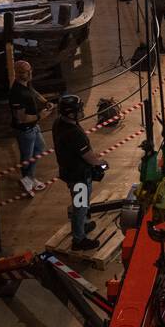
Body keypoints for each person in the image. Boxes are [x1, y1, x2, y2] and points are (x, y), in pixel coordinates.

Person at [52, 94, 107, 251]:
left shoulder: (59, 123)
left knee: (81, 205)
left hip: (69, 171)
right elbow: (88, 156)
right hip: (79, 176)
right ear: (71, 113)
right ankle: (79, 239)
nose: (83, 111)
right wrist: (100, 163)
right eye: (79, 110)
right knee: (80, 206)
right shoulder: (74, 132)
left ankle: (82, 225)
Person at [9, 60, 53, 195]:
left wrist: (45, 101)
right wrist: (40, 116)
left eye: (29, 71)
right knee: (27, 156)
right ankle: (27, 180)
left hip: (33, 127)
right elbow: (21, 119)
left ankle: (30, 177)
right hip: (25, 130)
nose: (28, 74)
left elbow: (32, 91)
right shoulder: (17, 92)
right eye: (24, 72)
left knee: (39, 148)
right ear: (17, 74)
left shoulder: (26, 83)